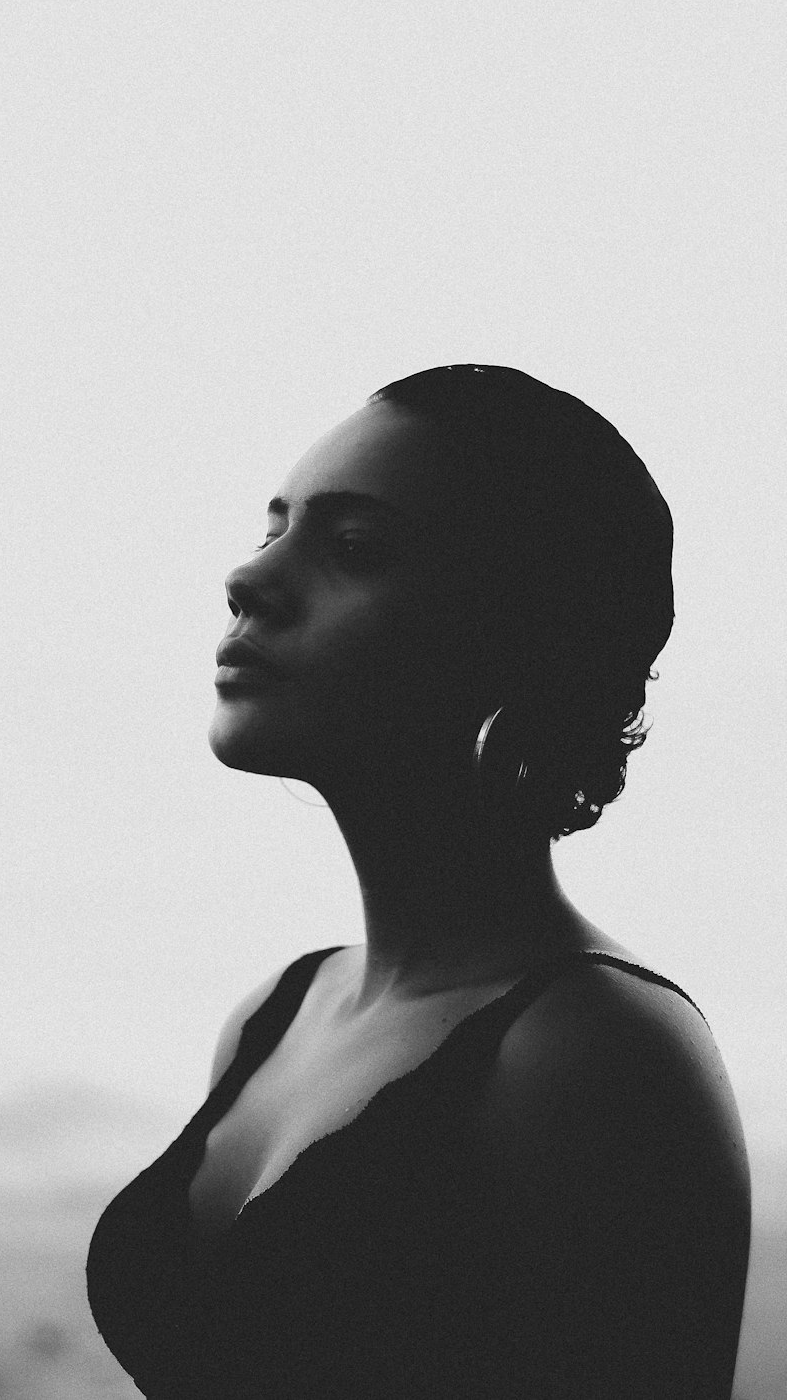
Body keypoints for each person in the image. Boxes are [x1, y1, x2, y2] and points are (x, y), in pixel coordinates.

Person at [86, 364, 751, 1398]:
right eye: (273, 531)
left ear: (518, 637)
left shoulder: (599, 1057)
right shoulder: (277, 1012)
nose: (248, 579)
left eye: (352, 548)